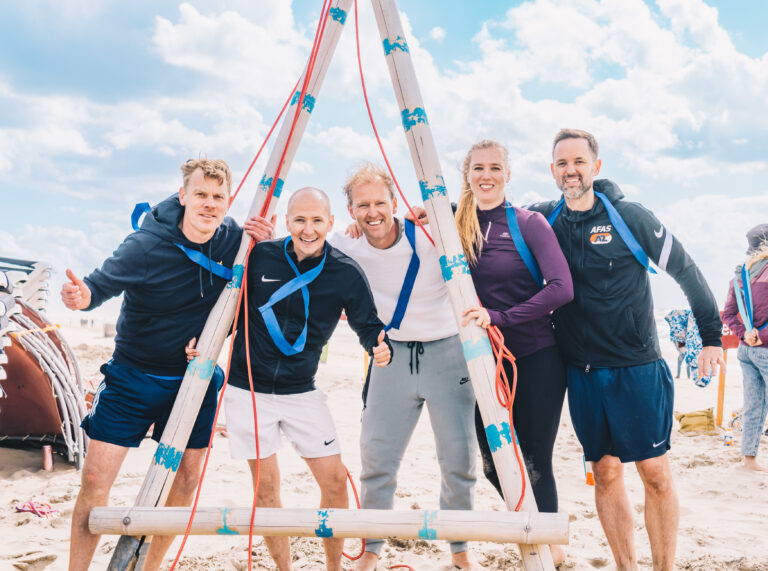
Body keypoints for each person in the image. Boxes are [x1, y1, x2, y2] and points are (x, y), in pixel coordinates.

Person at [528, 128, 725, 571]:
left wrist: (710, 337)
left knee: (654, 474)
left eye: (578, 161)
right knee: (605, 472)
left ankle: (663, 567)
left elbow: (687, 269)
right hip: (581, 370)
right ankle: (625, 566)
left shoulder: (629, 216)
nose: (570, 170)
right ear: (552, 170)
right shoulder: (544, 220)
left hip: (636, 366)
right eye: (561, 163)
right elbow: (491, 215)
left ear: (596, 167)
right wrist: (440, 210)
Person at [61, 159, 245, 571]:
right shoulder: (145, 245)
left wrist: (221, 333)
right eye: (200, 194)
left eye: (218, 197)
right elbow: (97, 286)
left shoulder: (238, 240)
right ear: (182, 196)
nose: (209, 204)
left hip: (195, 381)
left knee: (186, 480)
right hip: (132, 377)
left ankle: (149, 567)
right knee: (94, 481)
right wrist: (80, 297)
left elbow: (279, 269)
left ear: (228, 201)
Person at [218, 187, 391, 571]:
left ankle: (333, 569)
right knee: (265, 489)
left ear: (330, 223)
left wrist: (380, 346)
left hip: (302, 391)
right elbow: (225, 310)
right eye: (299, 219)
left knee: (334, 483)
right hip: (248, 389)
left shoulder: (345, 272)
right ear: (286, 221)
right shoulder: (259, 254)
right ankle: (284, 569)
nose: (308, 229)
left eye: (317, 220)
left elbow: (368, 326)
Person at [333, 163, 480, 570]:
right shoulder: (346, 245)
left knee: (459, 458)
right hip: (391, 356)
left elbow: (474, 213)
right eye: (363, 205)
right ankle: (371, 551)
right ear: (351, 210)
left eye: (380, 202)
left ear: (395, 203)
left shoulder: (431, 235)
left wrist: (440, 208)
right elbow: (297, 246)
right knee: (377, 458)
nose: (373, 212)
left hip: (448, 352)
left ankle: (460, 550)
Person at [454, 140, 573, 566]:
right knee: (491, 462)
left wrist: (500, 316)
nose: (487, 175)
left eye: (495, 168)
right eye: (478, 168)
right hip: (483, 363)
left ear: (508, 174)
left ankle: (550, 549)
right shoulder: (454, 223)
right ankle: (537, 527)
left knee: (535, 458)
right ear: (467, 173)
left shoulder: (529, 223)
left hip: (536, 357)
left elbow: (562, 288)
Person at [722, 223, 768, 472]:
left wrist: (746, 335)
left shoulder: (740, 275)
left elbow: (728, 315)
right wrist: (761, 336)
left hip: (746, 350)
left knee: (754, 405)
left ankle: (749, 460)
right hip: (765, 348)